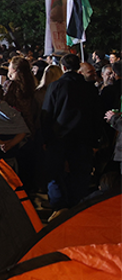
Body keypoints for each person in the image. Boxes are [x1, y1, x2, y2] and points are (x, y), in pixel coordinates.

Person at [39, 53, 102, 209]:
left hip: (59, 139)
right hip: (83, 140)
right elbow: (96, 116)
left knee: (57, 176)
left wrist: (45, 139)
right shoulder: (90, 89)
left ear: (64, 67)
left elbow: (47, 114)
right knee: (80, 178)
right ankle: (77, 209)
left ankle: (59, 211)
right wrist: (95, 141)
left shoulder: (56, 86)